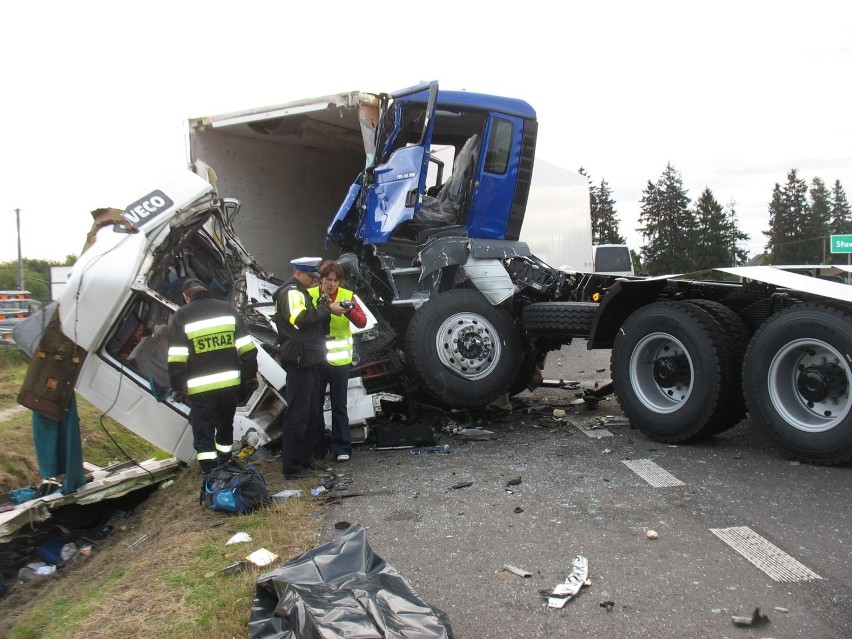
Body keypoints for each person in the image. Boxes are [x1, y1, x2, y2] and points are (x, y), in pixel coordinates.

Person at [168, 279, 258, 481]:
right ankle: (225, 459)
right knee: (225, 423)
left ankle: (210, 469)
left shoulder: (183, 315)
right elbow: (247, 348)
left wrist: (177, 387)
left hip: (200, 387)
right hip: (229, 384)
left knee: (203, 427)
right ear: (206, 290)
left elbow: (177, 356)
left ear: (186, 297)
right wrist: (250, 376)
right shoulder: (227, 309)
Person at [273, 257, 347, 479]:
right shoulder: (292, 292)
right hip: (299, 361)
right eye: (312, 276)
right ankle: (293, 468)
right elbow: (301, 318)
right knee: (297, 415)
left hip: (308, 359)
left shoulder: (300, 291)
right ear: (298, 273)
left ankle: (305, 461)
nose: (316, 281)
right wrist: (329, 310)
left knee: (309, 414)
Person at [309, 260, 367, 462]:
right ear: (321, 279)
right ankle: (317, 449)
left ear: (340, 281)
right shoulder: (310, 295)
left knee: (339, 405)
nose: (332, 284)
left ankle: (342, 447)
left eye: (335, 280)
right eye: (328, 279)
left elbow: (362, 321)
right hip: (316, 359)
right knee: (314, 405)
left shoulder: (347, 296)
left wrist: (349, 310)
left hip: (339, 360)